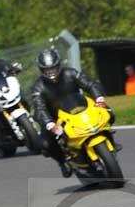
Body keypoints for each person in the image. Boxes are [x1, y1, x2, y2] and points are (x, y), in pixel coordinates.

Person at [31, 48, 119, 178]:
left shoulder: (71, 73)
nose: (51, 73)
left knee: (108, 112)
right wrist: (49, 123)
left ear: (59, 65)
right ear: (42, 70)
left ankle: (108, 135)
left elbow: (89, 84)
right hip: (56, 117)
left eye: (53, 68)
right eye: (47, 70)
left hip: (79, 107)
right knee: (45, 144)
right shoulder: (38, 87)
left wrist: (99, 98)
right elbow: (39, 108)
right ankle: (62, 162)